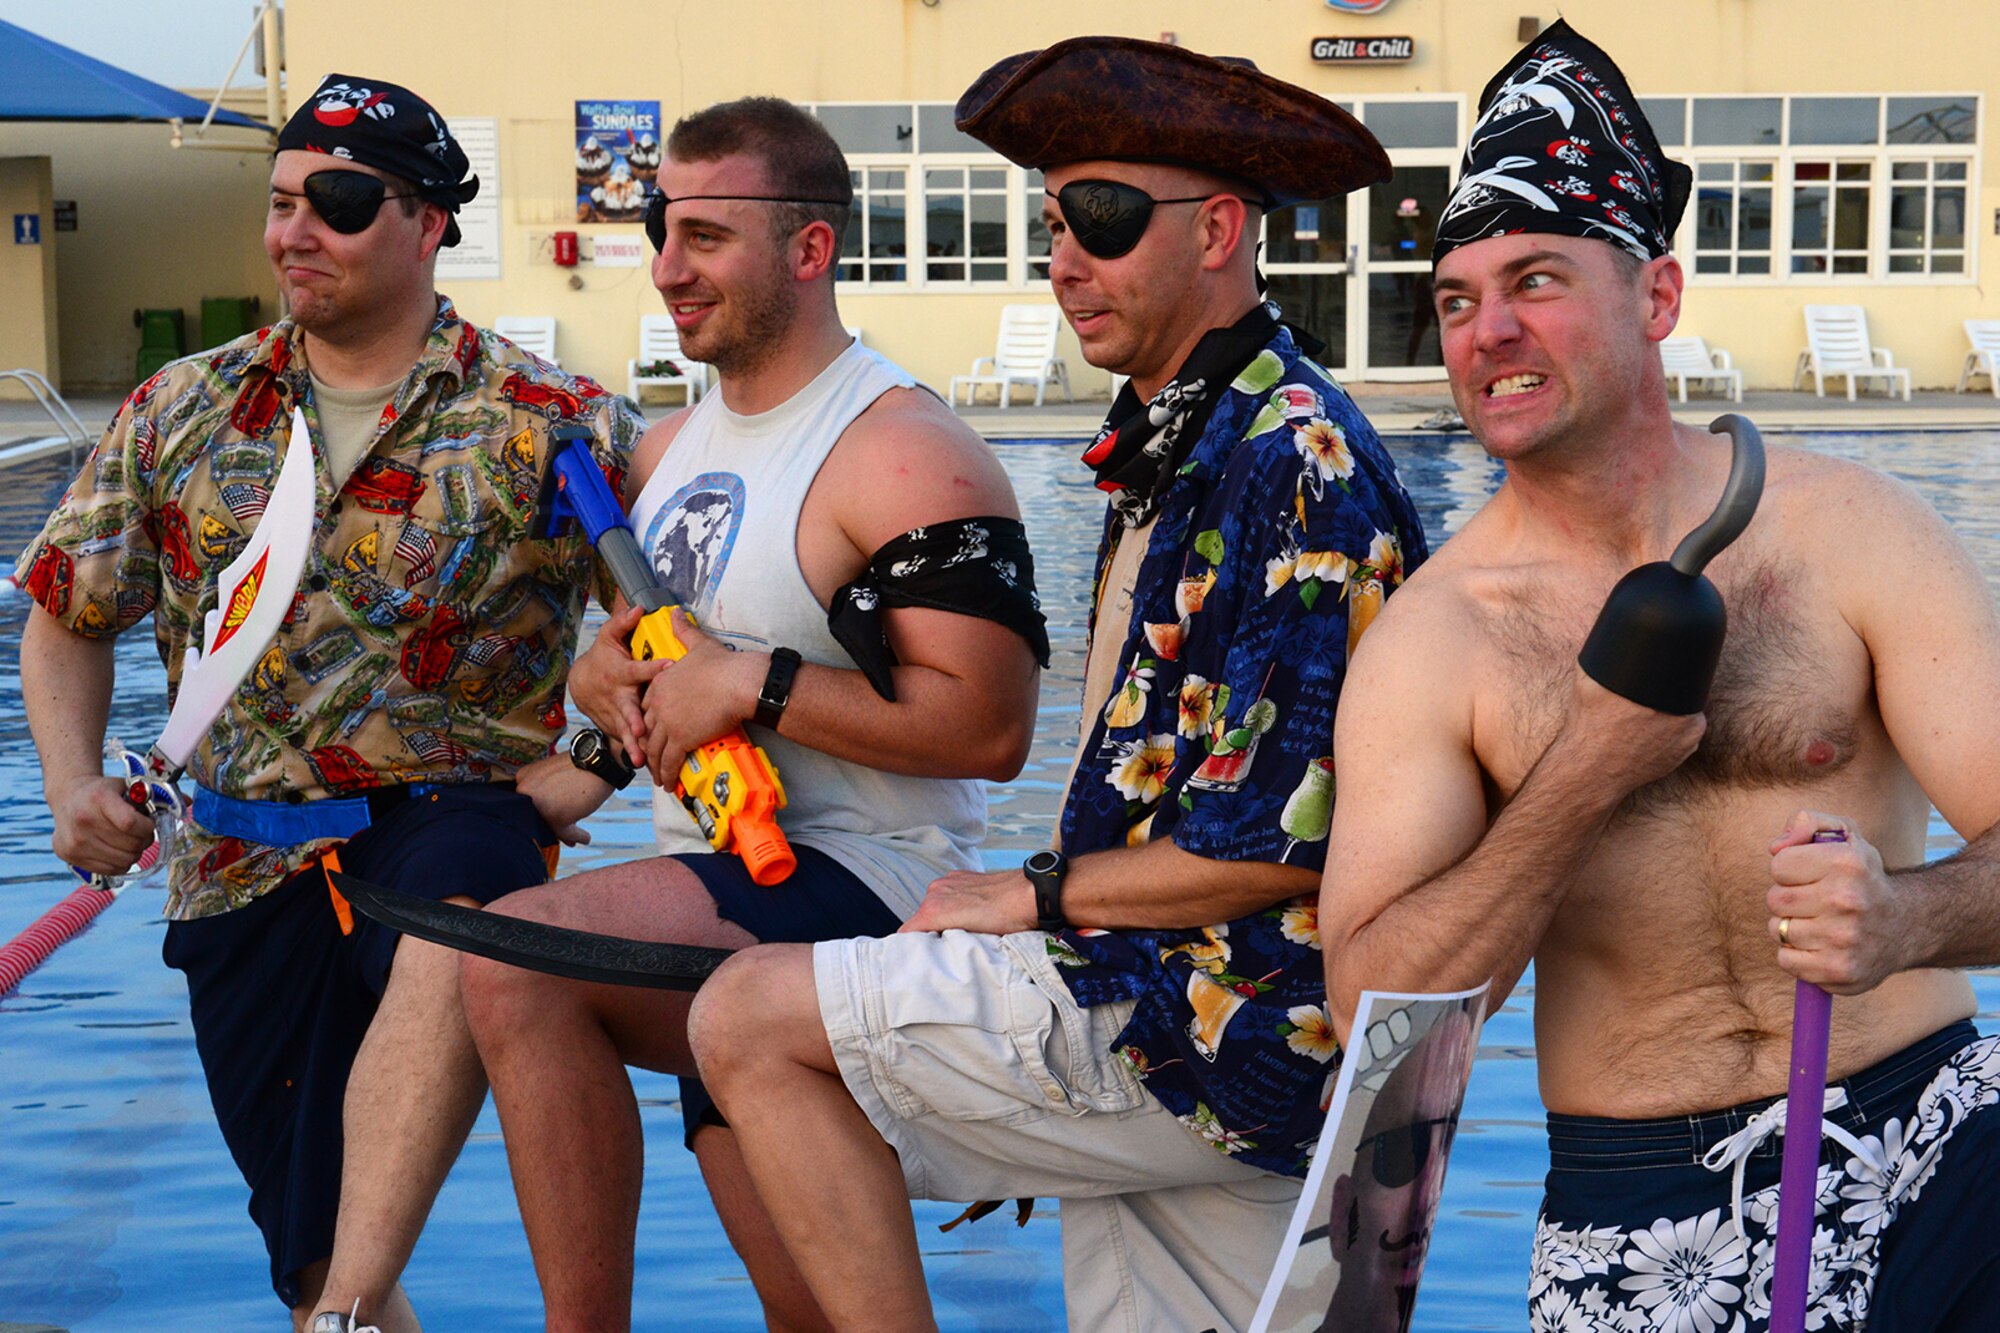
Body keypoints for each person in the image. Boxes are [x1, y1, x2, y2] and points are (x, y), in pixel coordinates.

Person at [686, 38, 1428, 1333]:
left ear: (1219, 231)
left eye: (1102, 218)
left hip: (1205, 1030)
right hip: (1225, 1027)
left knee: (744, 1017)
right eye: (1052, 222)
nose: (1063, 261)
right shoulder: (1199, 437)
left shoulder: (1289, 464)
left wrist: (1028, 900)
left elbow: (1286, 841)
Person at [1317, 22, 2000, 1330]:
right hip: (1642, 1202)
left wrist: (1906, 920)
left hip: (1932, 1128)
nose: (1489, 329)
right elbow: (1374, 1008)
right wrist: (1583, 773)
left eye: (1536, 279)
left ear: (1659, 297)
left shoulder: (1851, 531)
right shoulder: (1435, 640)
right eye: (1457, 299)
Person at [15, 74, 642, 1332]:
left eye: (338, 204)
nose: (293, 231)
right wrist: (70, 778)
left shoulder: (555, 424)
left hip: (452, 809)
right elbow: (66, 611)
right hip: (240, 861)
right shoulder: (184, 409)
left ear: (427, 224)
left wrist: (592, 766)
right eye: (283, 199)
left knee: (459, 916)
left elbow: (668, 644)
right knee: (303, 1251)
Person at [454, 96, 1047, 1332]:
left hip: (865, 894)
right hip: (723, 894)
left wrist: (754, 680)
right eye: (663, 230)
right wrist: (598, 698)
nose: (667, 267)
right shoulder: (668, 448)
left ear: (809, 248)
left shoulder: (903, 452)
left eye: (707, 236)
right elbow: (672, 666)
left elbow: (988, 728)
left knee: (518, 965)